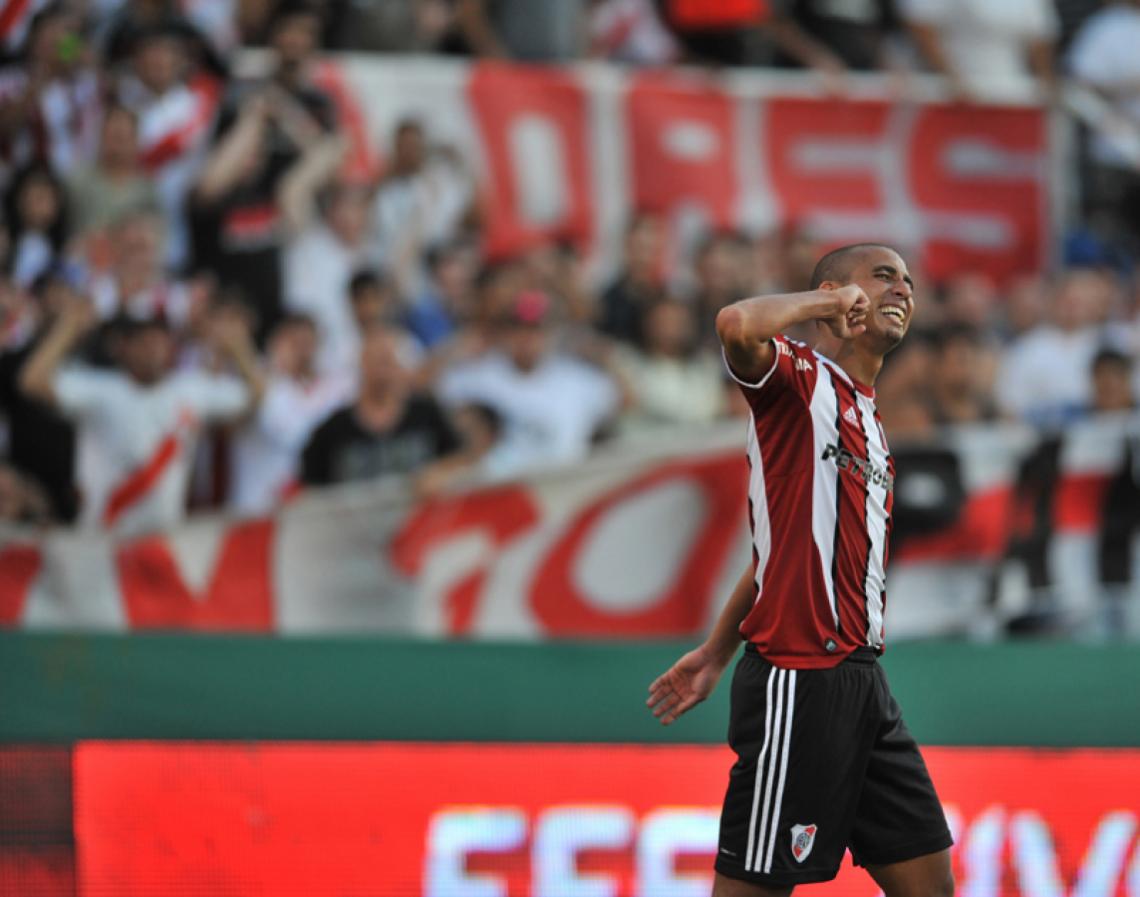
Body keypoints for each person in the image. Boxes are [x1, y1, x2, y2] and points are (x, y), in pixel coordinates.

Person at [646, 244, 953, 897]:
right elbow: (736, 323)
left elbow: (776, 554)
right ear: (840, 294)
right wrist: (824, 306)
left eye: (907, 279)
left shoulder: (869, 418)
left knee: (929, 880)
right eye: (882, 275)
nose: (902, 287)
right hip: (798, 673)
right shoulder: (800, 379)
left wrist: (716, 648)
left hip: (863, 681)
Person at [18, 298, 264, 535]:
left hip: (160, 541)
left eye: (161, 340)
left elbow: (256, 397)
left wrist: (238, 346)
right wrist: (67, 329)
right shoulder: (100, 390)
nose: (154, 349)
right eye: (144, 341)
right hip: (102, 539)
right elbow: (32, 380)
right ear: (124, 348)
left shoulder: (190, 391)